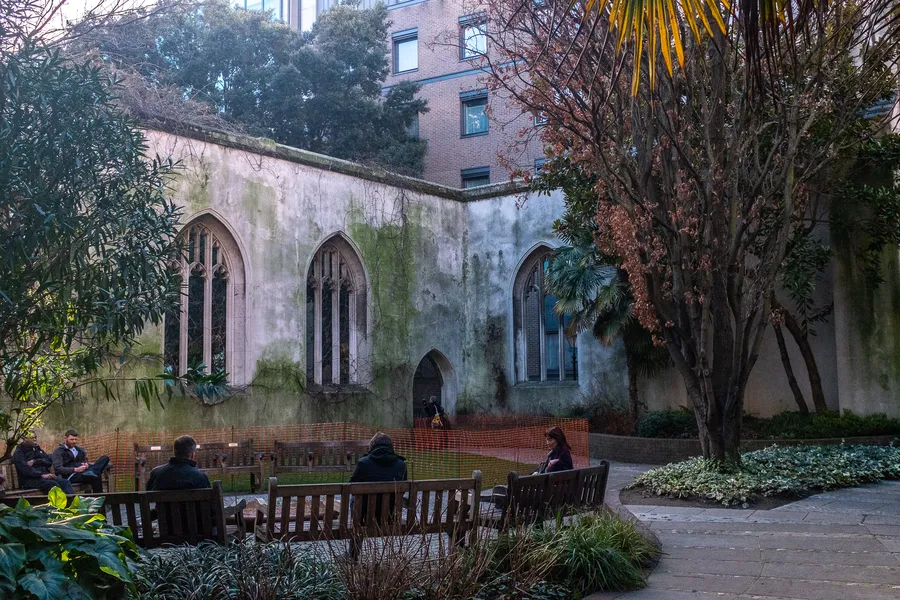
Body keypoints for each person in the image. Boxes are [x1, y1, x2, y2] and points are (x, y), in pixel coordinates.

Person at [51, 429, 110, 493]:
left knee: (105, 458)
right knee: (96, 475)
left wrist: (86, 465)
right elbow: (58, 468)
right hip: (72, 475)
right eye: (72, 439)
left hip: (84, 471)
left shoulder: (79, 449)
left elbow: (84, 461)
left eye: (75, 439)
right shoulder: (59, 451)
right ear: (65, 438)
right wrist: (75, 469)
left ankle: (91, 472)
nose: (74, 441)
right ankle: (99, 497)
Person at [146, 435, 211, 491]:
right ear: (192, 455)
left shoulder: (156, 474)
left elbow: (148, 495)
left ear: (175, 452)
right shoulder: (200, 477)